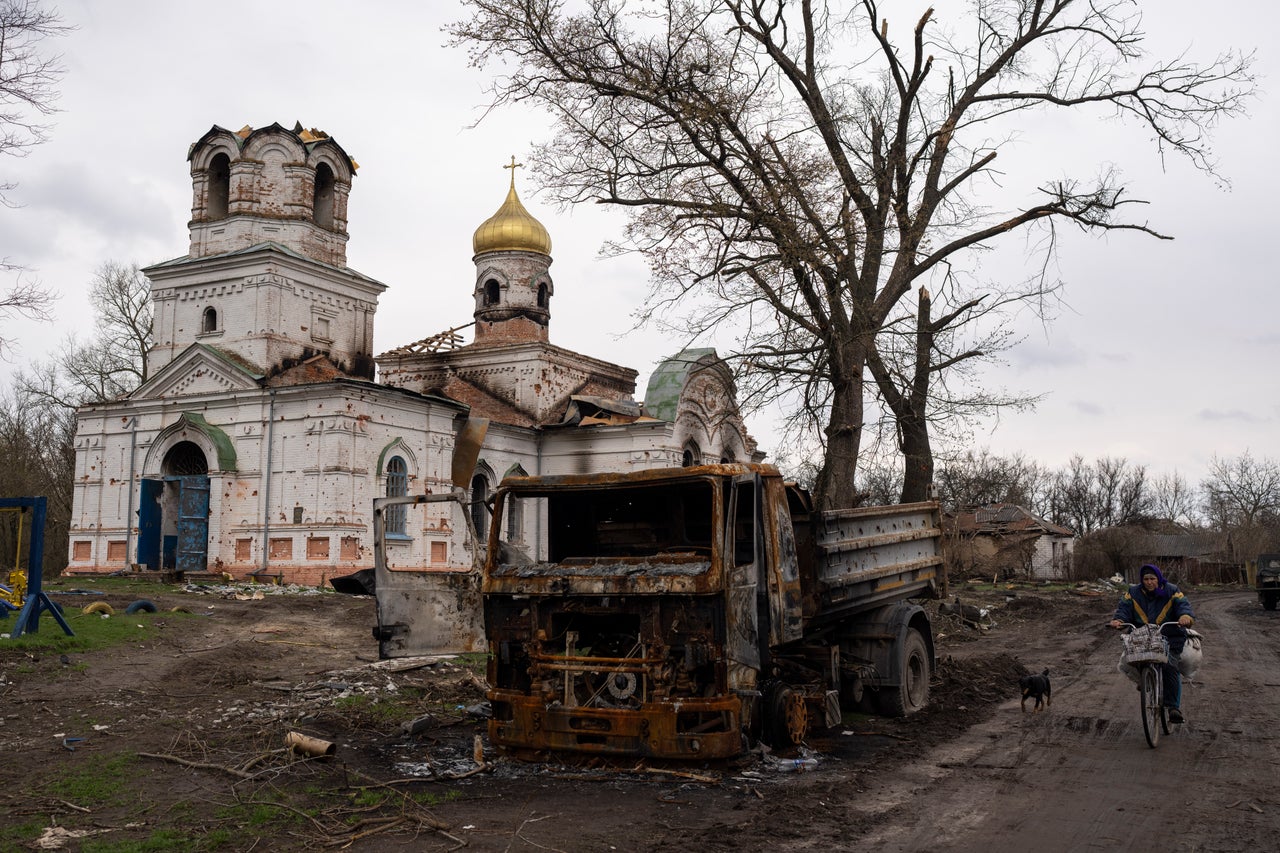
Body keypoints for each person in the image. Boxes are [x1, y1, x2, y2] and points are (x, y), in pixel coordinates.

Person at [1109, 563, 1195, 723]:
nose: (1149, 582)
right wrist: (1119, 620)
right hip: (1142, 637)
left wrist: (1185, 617)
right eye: (1146, 579)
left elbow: (1183, 605)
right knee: (1134, 660)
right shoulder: (1133, 592)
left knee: (1170, 666)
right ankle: (1146, 680)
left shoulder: (1172, 590)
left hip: (1170, 636)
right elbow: (1124, 608)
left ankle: (1173, 707)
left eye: (1152, 579)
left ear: (1159, 579)